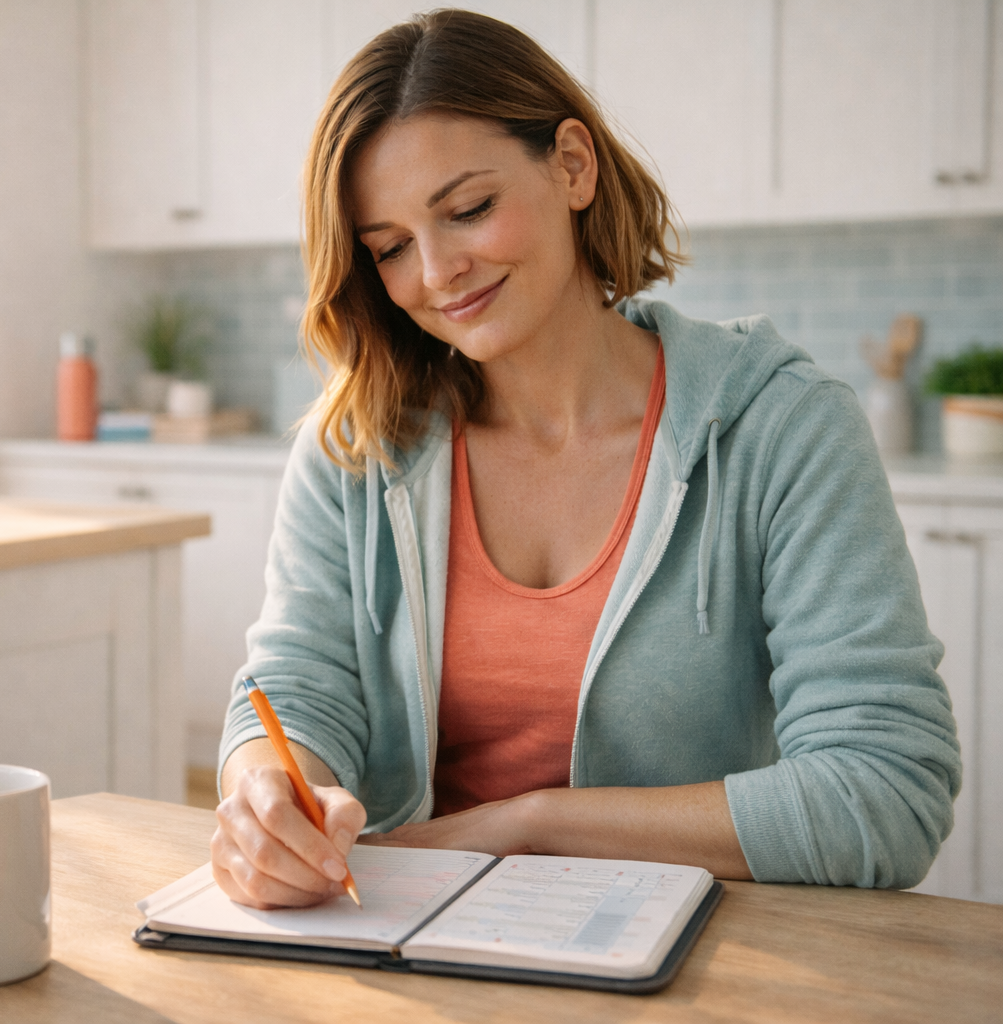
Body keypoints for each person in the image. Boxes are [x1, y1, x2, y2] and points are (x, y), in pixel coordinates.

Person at [211, 9, 961, 910]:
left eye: (469, 210)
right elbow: (294, 690)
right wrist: (269, 794)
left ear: (572, 164)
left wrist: (530, 826)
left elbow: (887, 790)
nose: (438, 271)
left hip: (702, 947)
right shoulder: (357, 445)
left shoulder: (782, 428)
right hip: (403, 929)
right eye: (392, 248)